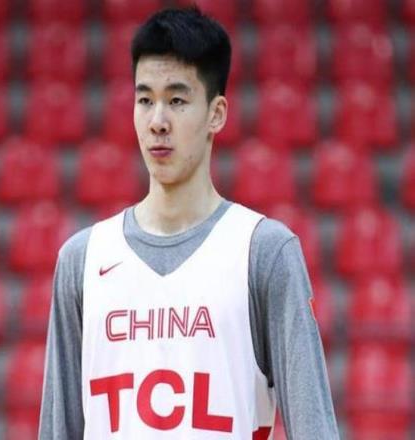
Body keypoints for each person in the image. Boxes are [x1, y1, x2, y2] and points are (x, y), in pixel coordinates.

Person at [39, 6, 339, 439]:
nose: (157, 122)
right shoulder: (81, 260)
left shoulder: (264, 252)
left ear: (216, 114)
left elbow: (315, 429)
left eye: (177, 101)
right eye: (145, 100)